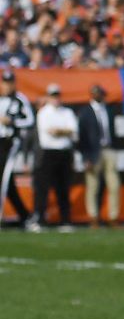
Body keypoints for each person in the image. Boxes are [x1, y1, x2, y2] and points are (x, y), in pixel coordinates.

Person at [33, 83, 78, 231]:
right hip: (48, 153)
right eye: (53, 96)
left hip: (64, 153)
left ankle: (65, 220)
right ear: (48, 97)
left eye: (57, 95)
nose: (56, 99)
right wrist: (64, 131)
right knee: (43, 189)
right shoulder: (43, 113)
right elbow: (48, 134)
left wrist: (60, 131)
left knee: (63, 188)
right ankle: (40, 219)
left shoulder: (67, 112)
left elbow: (73, 131)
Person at [77, 84, 120, 228]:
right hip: (92, 152)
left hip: (108, 149)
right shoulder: (85, 112)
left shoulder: (108, 110)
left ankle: (113, 216)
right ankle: (93, 216)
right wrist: (85, 157)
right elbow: (82, 137)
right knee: (93, 186)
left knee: (114, 184)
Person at [0, 68, 33, 227]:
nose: (7, 86)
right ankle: (24, 214)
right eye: (5, 82)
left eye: (10, 82)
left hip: (11, 142)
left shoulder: (20, 99)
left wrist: (12, 122)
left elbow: (30, 121)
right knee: (7, 182)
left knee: (4, 178)